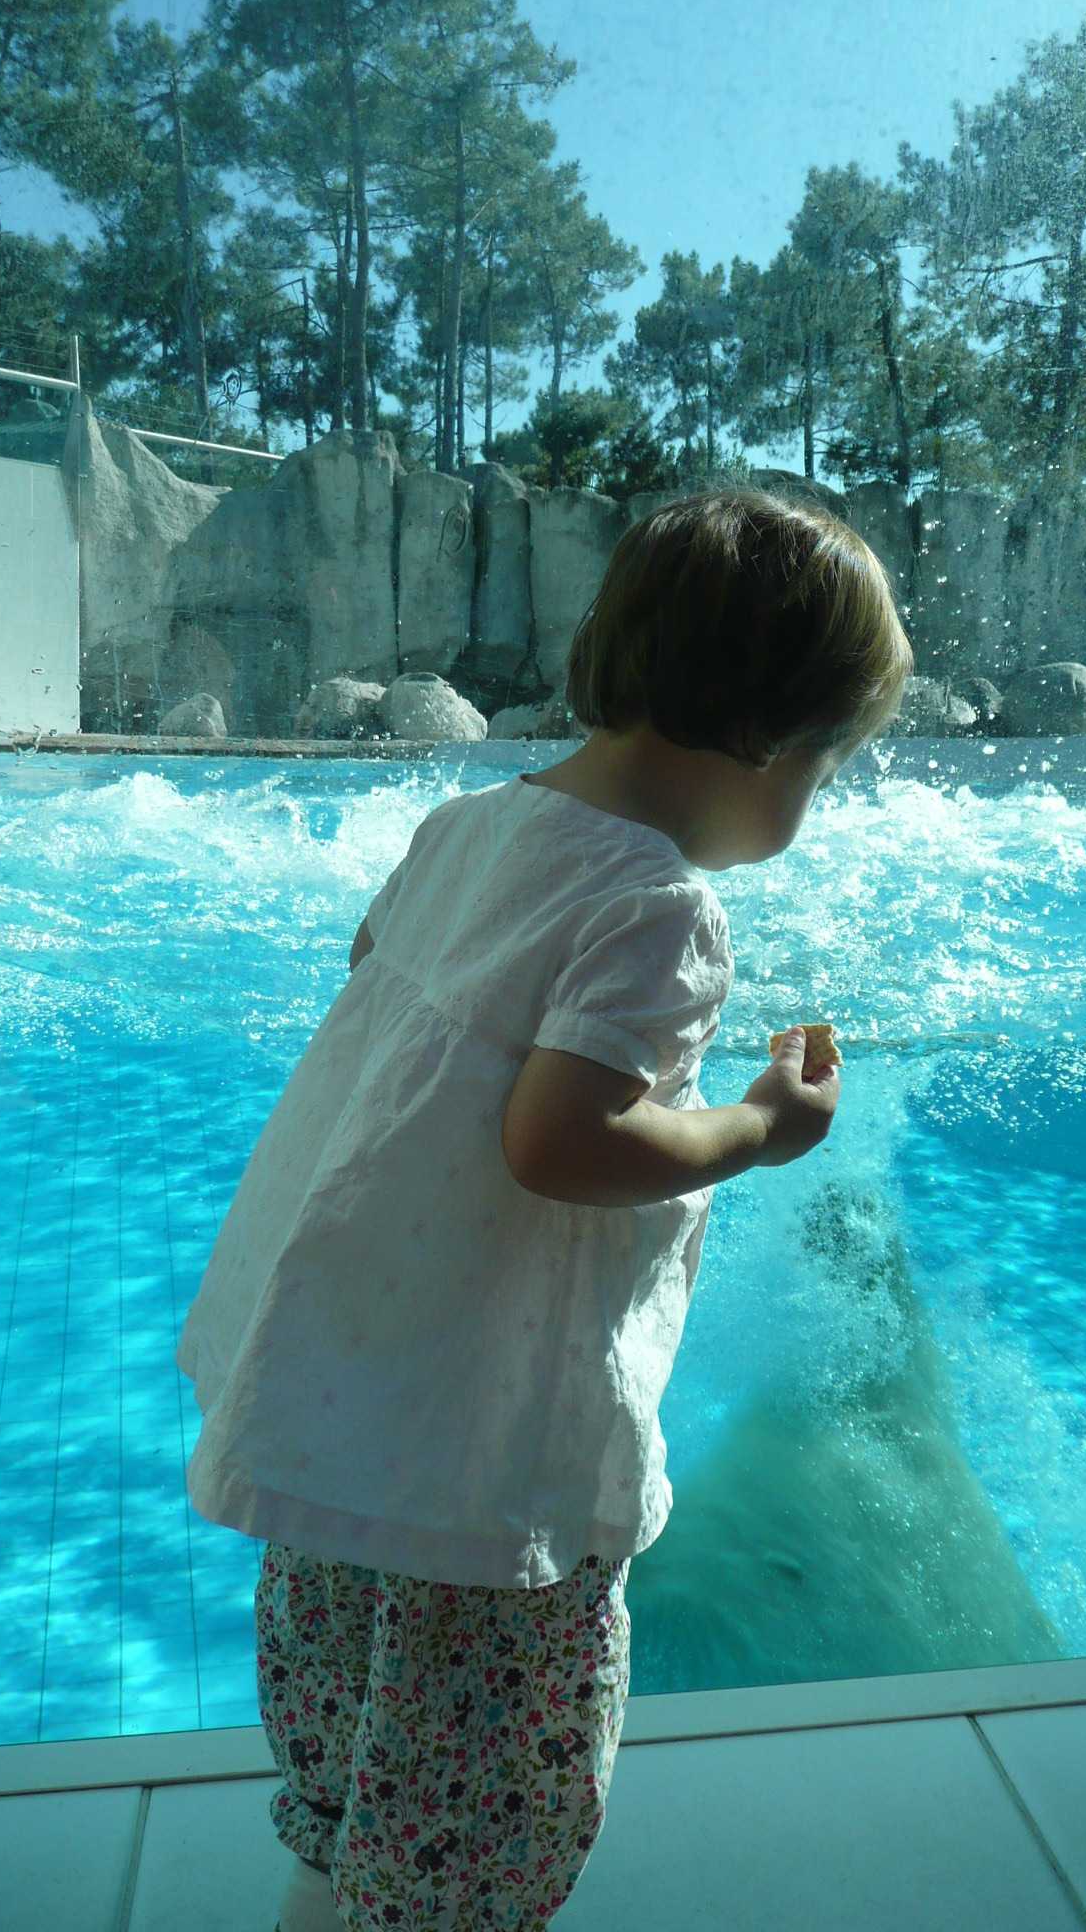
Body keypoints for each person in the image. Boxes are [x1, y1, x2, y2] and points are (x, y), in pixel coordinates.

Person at [174, 484, 913, 1932]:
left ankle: (328, 1895)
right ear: (770, 737)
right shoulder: (660, 906)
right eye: (830, 766)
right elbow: (559, 1142)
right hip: (481, 1450)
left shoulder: (467, 825)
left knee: (353, 1735)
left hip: (351, 1389)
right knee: (477, 1798)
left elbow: (377, 981)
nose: (816, 799)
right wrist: (758, 1127)